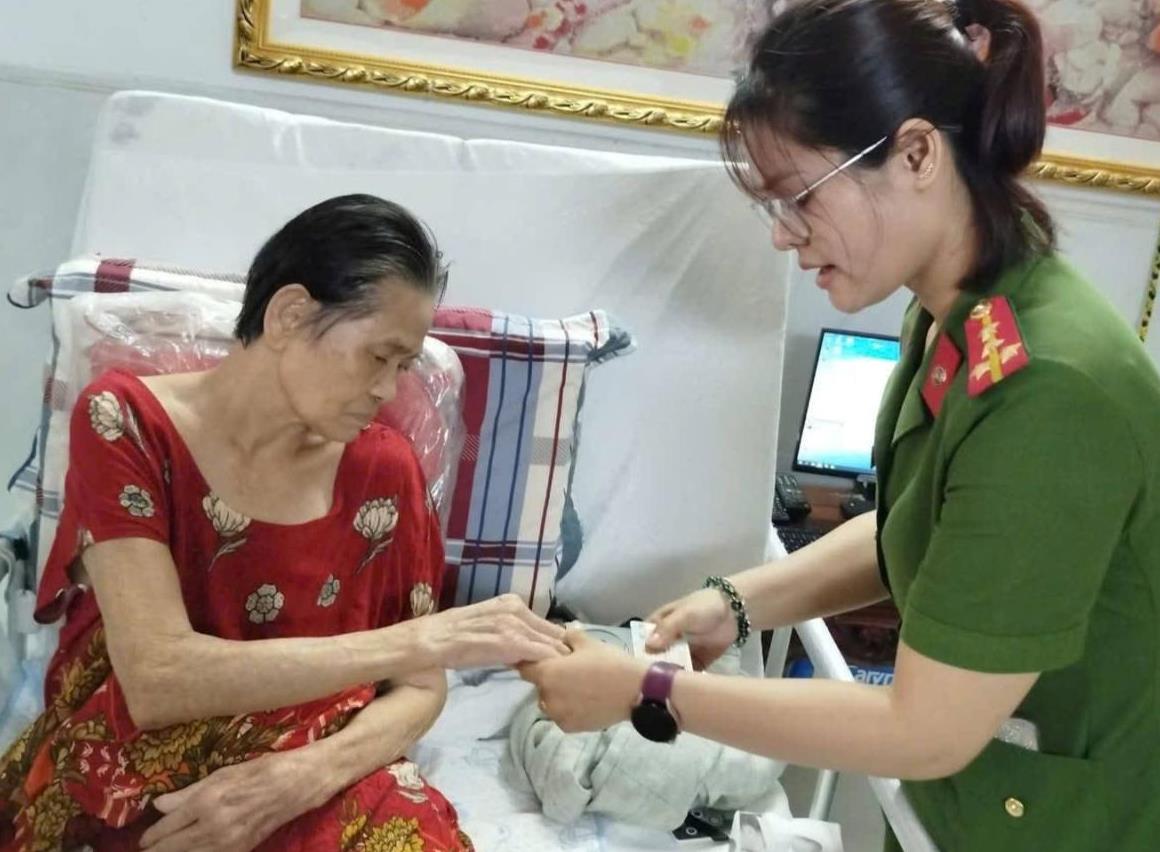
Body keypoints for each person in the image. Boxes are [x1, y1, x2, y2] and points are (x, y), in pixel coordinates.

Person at [520, 1, 1160, 849]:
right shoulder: (955, 315)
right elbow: (922, 528)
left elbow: (926, 729)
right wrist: (738, 602)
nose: (785, 237)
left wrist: (652, 691)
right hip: (974, 798)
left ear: (917, 154)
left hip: (1068, 822)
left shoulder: (1047, 389)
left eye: (800, 198)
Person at [0, 195, 567, 851]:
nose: (388, 390)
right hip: (138, 763)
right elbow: (156, 679)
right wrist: (422, 640)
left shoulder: (383, 471)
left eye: (404, 366)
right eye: (377, 356)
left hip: (317, 756)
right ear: (289, 314)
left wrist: (300, 778)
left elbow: (417, 688)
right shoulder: (126, 423)